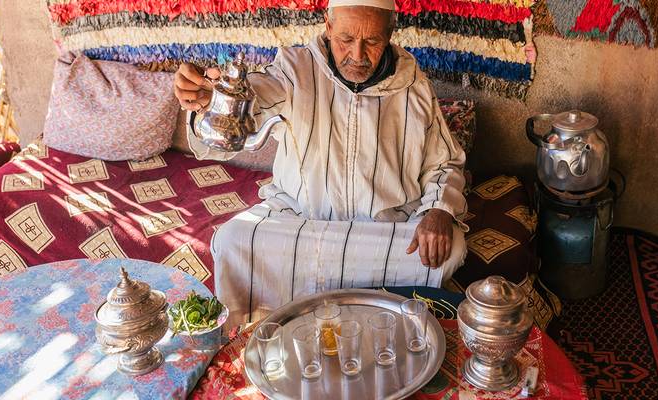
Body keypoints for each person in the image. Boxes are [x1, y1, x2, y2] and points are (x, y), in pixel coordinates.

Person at [174, 0, 468, 325]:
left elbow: (446, 164)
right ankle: (279, 329)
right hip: (301, 221)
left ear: (389, 34)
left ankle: (331, 309)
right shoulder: (294, 70)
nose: (357, 55)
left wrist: (439, 210)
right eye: (346, 39)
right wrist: (210, 103)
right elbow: (253, 101)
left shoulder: (414, 88)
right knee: (232, 240)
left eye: (371, 41)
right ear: (328, 27)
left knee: (449, 247)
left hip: (381, 229)